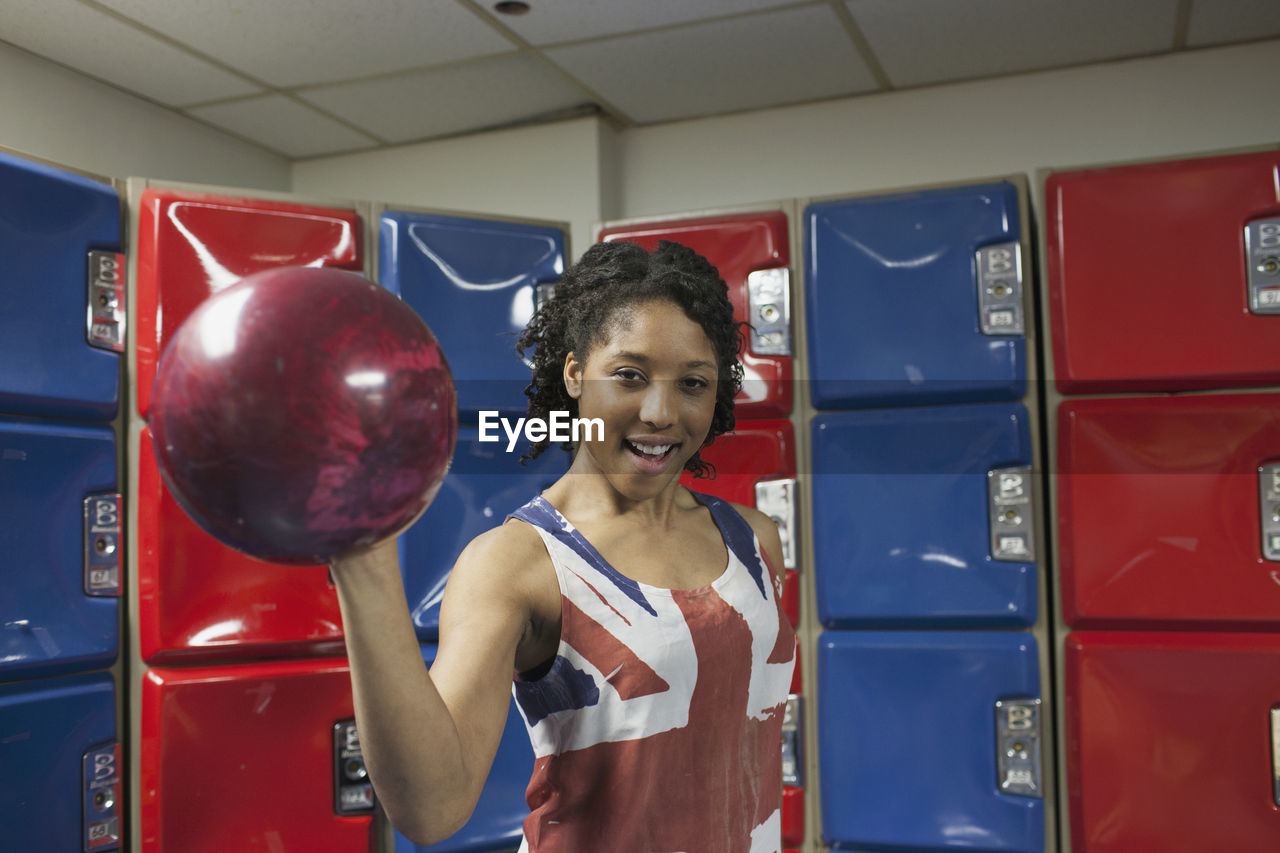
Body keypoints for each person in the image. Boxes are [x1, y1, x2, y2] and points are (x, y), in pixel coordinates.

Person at [329, 240, 797, 852]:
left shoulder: (754, 541)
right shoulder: (517, 563)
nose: (660, 412)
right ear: (575, 373)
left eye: (692, 383)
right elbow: (431, 809)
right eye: (629, 375)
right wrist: (365, 565)